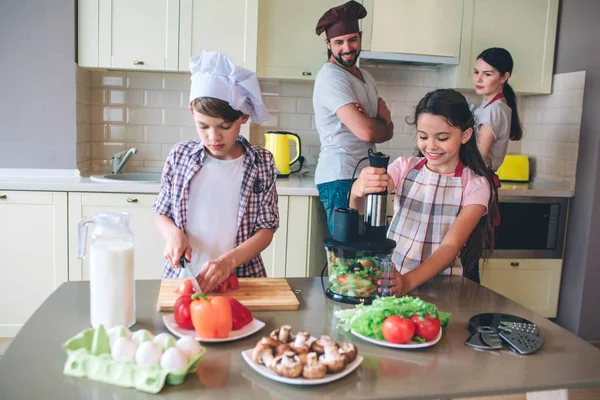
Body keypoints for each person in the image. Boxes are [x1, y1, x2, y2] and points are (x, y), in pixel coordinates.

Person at [349, 89, 498, 294]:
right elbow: (359, 206)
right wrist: (358, 189)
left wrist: (409, 282)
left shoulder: (475, 185)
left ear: (465, 135)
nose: (431, 146)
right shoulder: (404, 167)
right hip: (393, 276)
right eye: (423, 136)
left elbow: (450, 246)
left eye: (442, 138)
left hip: (443, 286)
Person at [153, 51, 279, 293]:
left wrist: (228, 262)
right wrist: (172, 234)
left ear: (243, 117)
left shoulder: (261, 162)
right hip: (183, 279)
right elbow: (161, 214)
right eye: (203, 126)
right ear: (192, 114)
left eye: (224, 126)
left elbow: (266, 229)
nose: (214, 137)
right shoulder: (180, 156)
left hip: (241, 280)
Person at [313, 0, 394, 234]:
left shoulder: (366, 77)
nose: (346, 48)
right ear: (328, 44)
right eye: (338, 42)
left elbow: (387, 132)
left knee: (367, 254)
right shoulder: (331, 77)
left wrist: (380, 124)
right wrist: (380, 122)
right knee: (348, 254)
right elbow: (367, 132)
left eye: (352, 40)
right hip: (341, 176)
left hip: (366, 175)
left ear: (360, 37)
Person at [472, 47, 523, 173]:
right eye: (476, 72)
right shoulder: (491, 106)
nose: (478, 79)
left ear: (504, 77)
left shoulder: (494, 110)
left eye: (487, 74)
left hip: (479, 179)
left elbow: (478, 158)